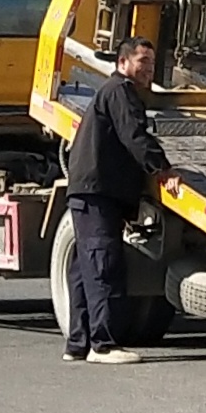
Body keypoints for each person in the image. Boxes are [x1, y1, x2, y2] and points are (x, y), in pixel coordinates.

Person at [62, 36, 180, 365]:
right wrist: (163, 169)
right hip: (98, 193)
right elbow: (134, 135)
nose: (148, 69)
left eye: (151, 63)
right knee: (103, 266)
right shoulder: (120, 91)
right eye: (142, 61)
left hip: (91, 192)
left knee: (84, 270)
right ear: (122, 62)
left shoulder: (114, 92)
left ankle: (77, 344)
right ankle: (103, 345)